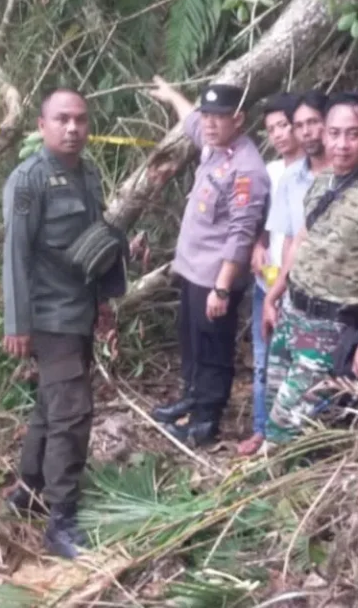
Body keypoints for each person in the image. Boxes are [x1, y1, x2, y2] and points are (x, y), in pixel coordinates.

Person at [0, 89, 127, 559]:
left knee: (52, 406)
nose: (72, 128)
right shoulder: (28, 180)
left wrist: (104, 305)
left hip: (80, 310)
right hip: (49, 317)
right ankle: (61, 520)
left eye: (80, 120)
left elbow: (93, 246)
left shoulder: (87, 174)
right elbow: (14, 254)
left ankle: (28, 491)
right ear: (41, 124)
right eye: (62, 119)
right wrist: (18, 322)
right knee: (72, 414)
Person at [261, 90, 358, 443]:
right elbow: (302, 240)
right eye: (334, 133)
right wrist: (275, 293)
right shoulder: (323, 180)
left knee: (286, 431)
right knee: (276, 415)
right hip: (292, 315)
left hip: (332, 329)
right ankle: (289, 484)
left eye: (353, 134)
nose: (341, 144)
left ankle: (280, 486)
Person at [146, 76, 269, 448]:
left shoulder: (247, 170)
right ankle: (191, 397)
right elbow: (191, 121)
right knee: (192, 340)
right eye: (208, 115)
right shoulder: (215, 147)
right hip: (193, 272)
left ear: (240, 120)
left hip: (216, 277)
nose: (210, 123)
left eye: (220, 116)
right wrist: (172, 96)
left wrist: (222, 286)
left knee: (213, 349)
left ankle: (205, 420)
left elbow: (241, 235)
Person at [237, 93, 303, 457]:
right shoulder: (271, 171)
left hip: (299, 285)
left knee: (295, 361)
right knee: (263, 360)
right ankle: (262, 429)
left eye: (284, 125)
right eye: (271, 129)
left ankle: (291, 435)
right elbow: (263, 220)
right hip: (267, 281)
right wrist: (257, 244)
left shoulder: (314, 171)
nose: (278, 135)